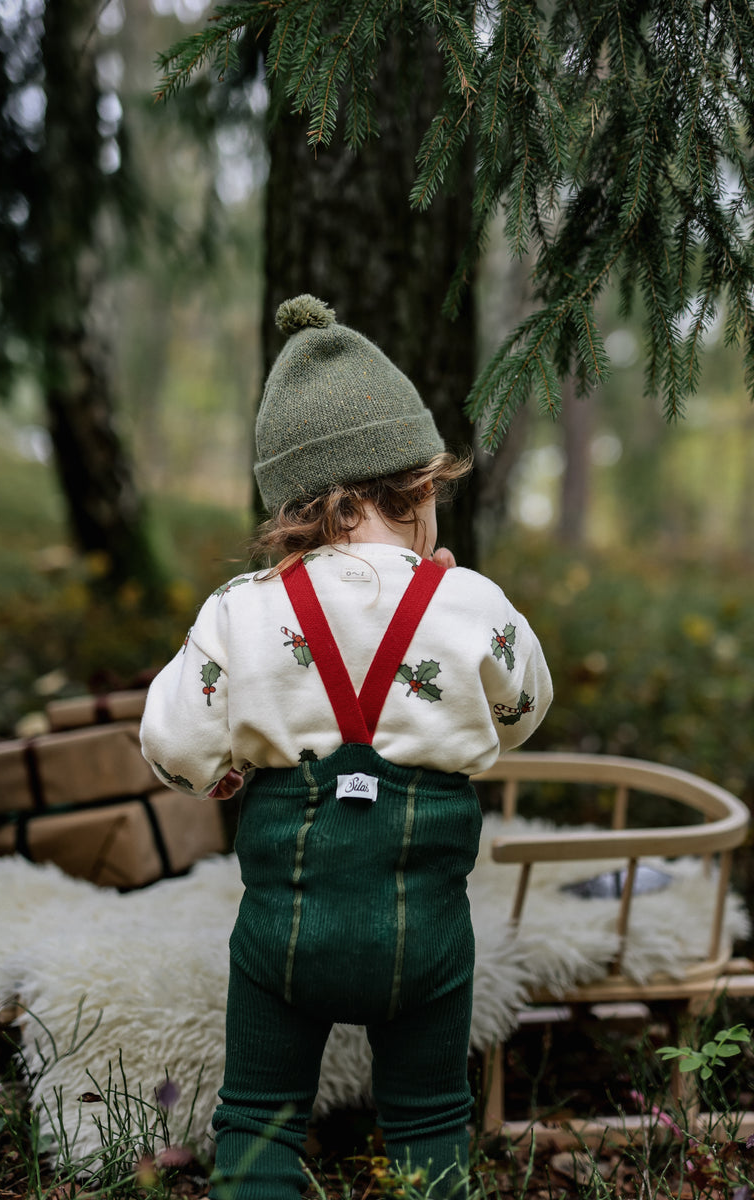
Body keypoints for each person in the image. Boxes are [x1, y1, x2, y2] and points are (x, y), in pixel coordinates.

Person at [140, 295, 553, 1199]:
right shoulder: (470, 603)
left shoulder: (239, 611)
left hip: (287, 939)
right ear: (406, 489)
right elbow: (523, 709)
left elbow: (171, 744)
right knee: (430, 1116)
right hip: (428, 942)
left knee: (256, 1115)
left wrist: (224, 775)